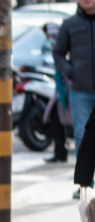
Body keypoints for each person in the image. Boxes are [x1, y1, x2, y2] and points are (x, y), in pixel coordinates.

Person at [53, 0, 95, 152]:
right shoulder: (69, 24)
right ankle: (86, 180)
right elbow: (58, 52)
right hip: (80, 91)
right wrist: (70, 71)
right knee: (82, 135)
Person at [42, 22, 70, 164]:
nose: (49, 39)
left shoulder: (64, 45)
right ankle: (60, 152)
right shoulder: (56, 47)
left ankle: (61, 152)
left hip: (68, 90)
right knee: (55, 119)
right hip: (61, 91)